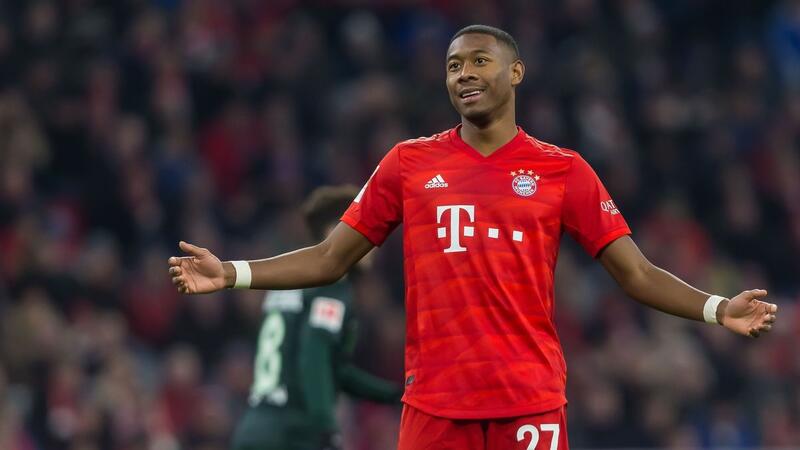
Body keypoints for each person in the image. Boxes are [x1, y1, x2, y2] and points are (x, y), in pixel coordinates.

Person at [168, 25, 778, 450]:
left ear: (516, 72)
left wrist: (717, 308)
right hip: (435, 405)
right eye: (454, 66)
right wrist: (234, 273)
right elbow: (331, 257)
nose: (464, 73)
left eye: (479, 61)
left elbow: (635, 273)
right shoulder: (407, 163)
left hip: (529, 400)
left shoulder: (562, 170)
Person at [228, 185, 403, 450]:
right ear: (335, 232)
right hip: (294, 433)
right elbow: (314, 354)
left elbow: (332, 368)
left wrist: (393, 394)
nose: (376, 243)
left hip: (254, 428)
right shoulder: (331, 288)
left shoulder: (289, 283)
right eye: (371, 230)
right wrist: (326, 428)